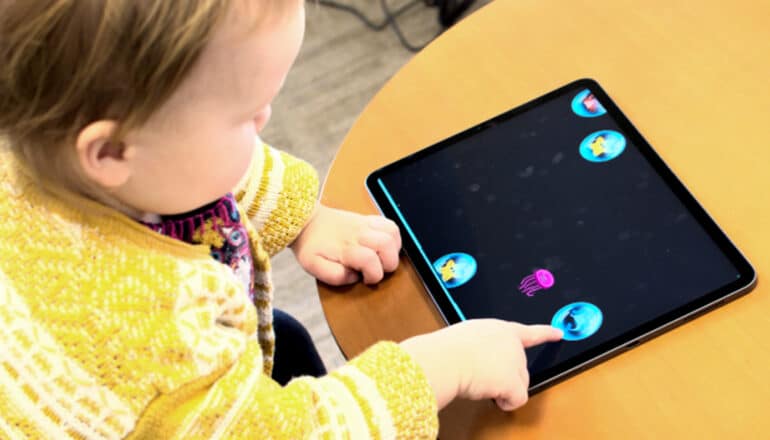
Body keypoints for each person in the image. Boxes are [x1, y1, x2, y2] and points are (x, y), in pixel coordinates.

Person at [0, 0, 562, 438]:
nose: (266, 118)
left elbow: (211, 172)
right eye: (248, 117)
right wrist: (440, 366)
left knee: (287, 341)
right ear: (110, 153)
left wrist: (303, 217)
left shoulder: (68, 152)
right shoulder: (156, 326)